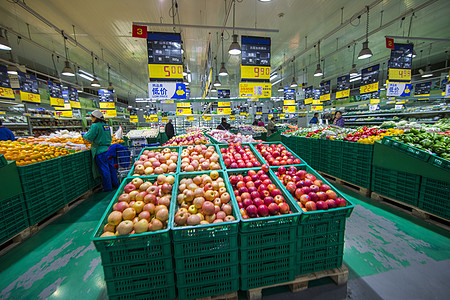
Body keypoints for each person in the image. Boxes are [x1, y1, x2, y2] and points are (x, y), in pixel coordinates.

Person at [83, 110, 118, 192]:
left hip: (100, 151)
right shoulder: (106, 126)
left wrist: (83, 135)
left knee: (104, 169)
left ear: (95, 117)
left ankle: (107, 187)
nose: (91, 119)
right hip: (108, 149)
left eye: (92, 117)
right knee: (111, 168)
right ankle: (115, 184)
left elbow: (90, 137)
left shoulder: (95, 126)